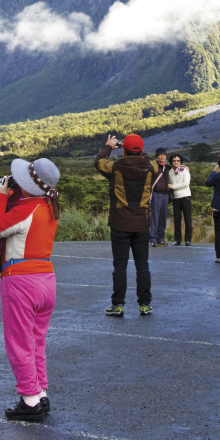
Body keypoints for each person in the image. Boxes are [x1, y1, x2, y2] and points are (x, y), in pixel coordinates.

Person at [0, 157, 61, 422]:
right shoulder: (49, 207)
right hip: (46, 278)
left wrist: (0, 197)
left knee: (18, 342)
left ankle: (30, 400)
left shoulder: (25, 209)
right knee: (36, 340)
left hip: (21, 280)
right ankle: (40, 393)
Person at [95, 133, 158, 316]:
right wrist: (136, 151)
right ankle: (144, 304)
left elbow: (99, 162)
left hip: (120, 222)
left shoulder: (115, 167)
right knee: (142, 265)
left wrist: (108, 147)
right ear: (140, 150)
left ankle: (118, 304)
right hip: (141, 222)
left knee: (120, 265)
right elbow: (148, 160)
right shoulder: (151, 167)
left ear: (124, 150)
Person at [149, 147, 172, 247]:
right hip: (156, 193)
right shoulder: (153, 166)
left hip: (165, 194)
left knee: (163, 216)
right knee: (155, 216)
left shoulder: (168, 167)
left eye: (164, 155)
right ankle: (153, 238)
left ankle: (160, 238)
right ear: (157, 156)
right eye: (160, 155)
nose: (162, 156)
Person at [168, 154, 193, 246]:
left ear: (180, 161)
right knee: (177, 219)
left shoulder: (185, 171)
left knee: (187, 218)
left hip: (185, 196)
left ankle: (188, 239)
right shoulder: (169, 172)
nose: (176, 162)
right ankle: (177, 239)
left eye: (178, 160)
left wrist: (173, 187)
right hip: (175, 198)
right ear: (171, 162)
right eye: (174, 160)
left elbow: (186, 183)